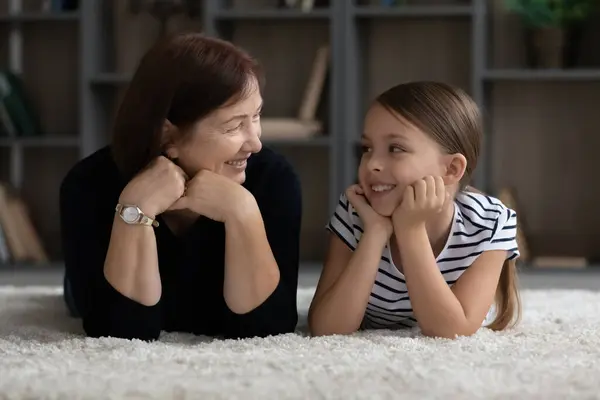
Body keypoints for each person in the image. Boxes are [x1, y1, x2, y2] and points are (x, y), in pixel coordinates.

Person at [59, 33, 302, 341]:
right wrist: (134, 211)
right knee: (73, 295)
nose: (255, 142)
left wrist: (243, 213)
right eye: (234, 126)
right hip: (96, 271)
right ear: (166, 134)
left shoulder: (275, 180)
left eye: (256, 117)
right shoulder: (86, 185)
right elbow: (117, 331)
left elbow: (270, 329)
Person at [308, 81, 521, 339]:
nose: (372, 164)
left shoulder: (489, 222)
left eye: (395, 149)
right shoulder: (356, 213)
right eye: (367, 148)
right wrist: (375, 233)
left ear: (451, 169)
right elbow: (327, 329)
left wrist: (410, 230)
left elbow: (451, 331)